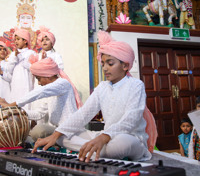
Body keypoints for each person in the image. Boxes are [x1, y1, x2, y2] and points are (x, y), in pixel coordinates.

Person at [32, 31, 157, 162]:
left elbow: (131, 119)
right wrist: (56, 135)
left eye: (110, 63)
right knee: (64, 136)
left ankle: (92, 149)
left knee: (121, 144)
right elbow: (83, 115)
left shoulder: (136, 85)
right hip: (104, 137)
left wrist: (103, 137)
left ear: (125, 65)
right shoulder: (102, 87)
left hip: (130, 137)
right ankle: (96, 150)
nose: (105, 68)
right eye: (103, 64)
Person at [0, 57, 82, 141]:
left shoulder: (63, 83)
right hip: (58, 130)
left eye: (39, 79)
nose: (39, 83)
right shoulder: (51, 92)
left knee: (38, 131)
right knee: (28, 136)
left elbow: (40, 92)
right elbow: (39, 114)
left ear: (48, 75)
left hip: (69, 131)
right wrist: (18, 111)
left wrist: (13, 104)